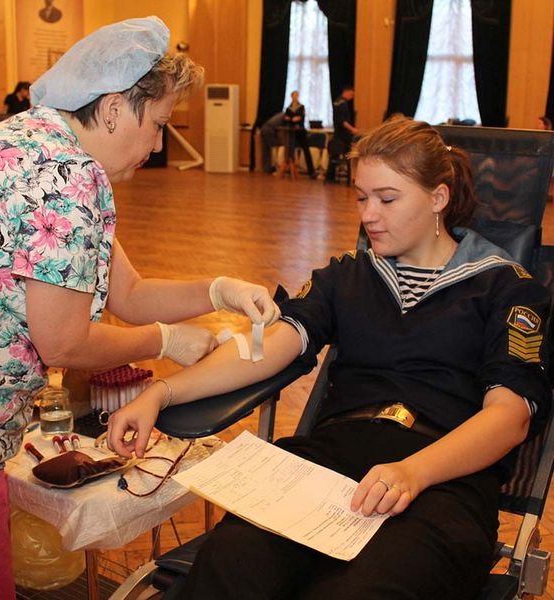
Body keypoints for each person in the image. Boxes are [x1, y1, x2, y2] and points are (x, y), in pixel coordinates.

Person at [108, 116, 551, 600]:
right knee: (231, 562)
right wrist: (162, 392)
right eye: (362, 198)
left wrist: (415, 471)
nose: (369, 215)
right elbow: (265, 348)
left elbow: (510, 418)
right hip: (332, 462)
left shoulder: (505, 288)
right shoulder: (347, 277)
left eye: (387, 199)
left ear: (438, 198)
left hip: (441, 480)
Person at [0, 16, 279, 600]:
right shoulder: (69, 178)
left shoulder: (27, 142)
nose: (157, 146)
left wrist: (218, 290)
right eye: (157, 125)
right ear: (111, 109)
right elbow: (63, 342)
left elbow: (127, 294)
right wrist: (164, 341)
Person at [281, 90, 316, 178]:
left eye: (297, 95)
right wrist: (290, 119)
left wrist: (296, 119)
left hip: (300, 131)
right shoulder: (288, 108)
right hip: (291, 132)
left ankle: (311, 172)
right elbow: (286, 118)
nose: (295, 97)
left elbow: (301, 117)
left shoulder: (301, 107)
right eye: (294, 95)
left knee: (306, 150)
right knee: (289, 151)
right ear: (291, 96)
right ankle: (289, 170)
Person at [325, 85, 357, 182]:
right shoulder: (343, 104)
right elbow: (343, 121)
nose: (351, 97)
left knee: (334, 155)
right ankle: (350, 178)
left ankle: (330, 177)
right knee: (348, 155)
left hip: (337, 133)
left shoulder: (336, 101)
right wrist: (353, 129)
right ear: (346, 92)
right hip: (344, 135)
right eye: (351, 95)